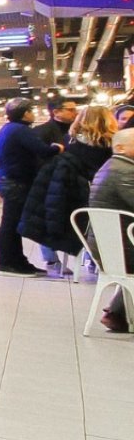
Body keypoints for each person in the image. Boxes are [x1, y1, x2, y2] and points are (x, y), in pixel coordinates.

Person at [20, 104, 115, 278]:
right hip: (98, 196)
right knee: (101, 224)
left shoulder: (68, 141)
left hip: (65, 195)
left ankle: (52, 260)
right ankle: (95, 261)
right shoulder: (112, 146)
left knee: (47, 218)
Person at [0, 98, 56, 274]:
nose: (33, 114)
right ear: (25, 113)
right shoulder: (21, 130)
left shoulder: (6, 129)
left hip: (7, 178)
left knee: (10, 222)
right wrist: (57, 148)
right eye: (31, 111)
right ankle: (7, 261)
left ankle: (16, 260)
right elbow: (42, 150)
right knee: (11, 223)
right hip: (16, 181)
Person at [87, 128, 134, 332]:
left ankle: (116, 313)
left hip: (111, 246)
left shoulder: (112, 167)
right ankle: (116, 313)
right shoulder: (124, 171)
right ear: (120, 147)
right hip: (122, 249)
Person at [32, 100, 80, 272]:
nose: (75, 112)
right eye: (70, 109)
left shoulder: (78, 131)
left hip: (72, 182)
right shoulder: (42, 131)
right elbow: (37, 158)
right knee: (47, 220)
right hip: (49, 182)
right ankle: (51, 259)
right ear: (56, 112)